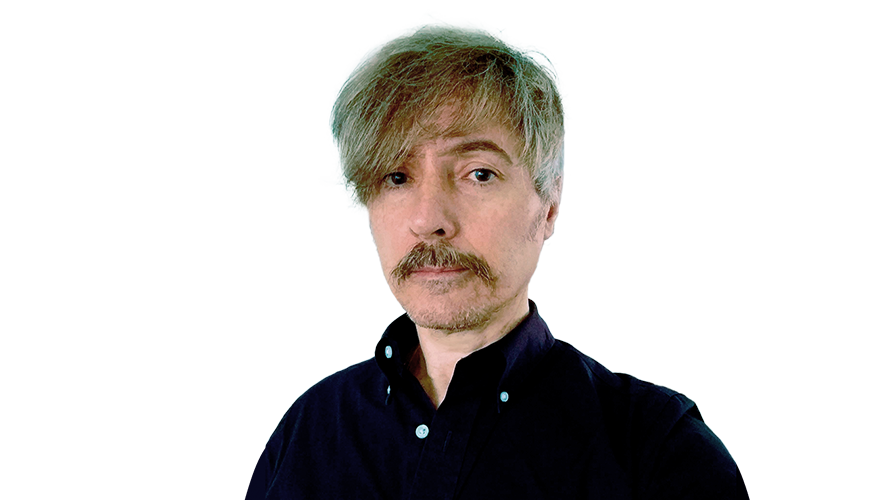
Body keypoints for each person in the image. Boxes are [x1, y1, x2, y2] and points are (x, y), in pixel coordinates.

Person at [266, 19, 747, 499]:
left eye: (478, 173)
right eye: (396, 177)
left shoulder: (657, 449)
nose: (429, 220)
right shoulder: (309, 430)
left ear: (549, 206)